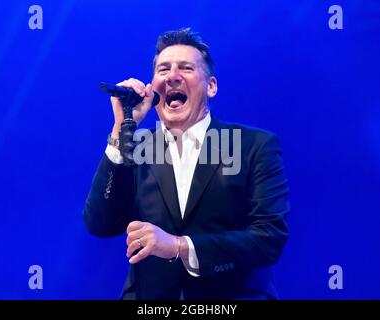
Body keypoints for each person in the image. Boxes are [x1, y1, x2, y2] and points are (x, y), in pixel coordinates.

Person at [83, 28, 290, 300]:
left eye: (186, 68)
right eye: (163, 69)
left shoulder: (253, 145)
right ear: (153, 90)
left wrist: (181, 247)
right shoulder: (137, 148)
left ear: (211, 86)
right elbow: (100, 224)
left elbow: (269, 239)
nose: (172, 76)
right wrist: (122, 128)